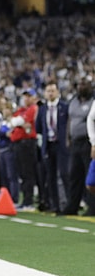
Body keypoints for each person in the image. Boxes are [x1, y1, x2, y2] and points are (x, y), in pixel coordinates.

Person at [35, 82, 69, 214]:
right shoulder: (43, 109)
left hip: (61, 145)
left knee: (65, 174)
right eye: (48, 91)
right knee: (51, 176)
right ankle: (55, 206)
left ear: (58, 92)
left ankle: (69, 204)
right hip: (48, 145)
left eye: (52, 91)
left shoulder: (64, 107)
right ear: (45, 93)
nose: (50, 93)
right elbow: (38, 127)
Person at [63, 80, 95, 215]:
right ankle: (72, 206)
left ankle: (92, 207)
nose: (81, 87)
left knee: (90, 176)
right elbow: (70, 120)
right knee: (74, 175)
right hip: (75, 143)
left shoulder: (93, 100)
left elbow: (92, 120)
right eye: (80, 84)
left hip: (88, 142)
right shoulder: (73, 101)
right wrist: (68, 137)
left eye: (84, 84)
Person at [8, 88, 39, 211]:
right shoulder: (22, 110)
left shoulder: (33, 108)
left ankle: (28, 201)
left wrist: (18, 122)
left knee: (28, 173)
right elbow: (12, 122)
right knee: (22, 173)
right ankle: (25, 200)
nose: (26, 98)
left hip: (27, 143)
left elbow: (18, 121)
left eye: (29, 96)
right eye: (25, 96)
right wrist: (19, 123)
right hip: (18, 144)